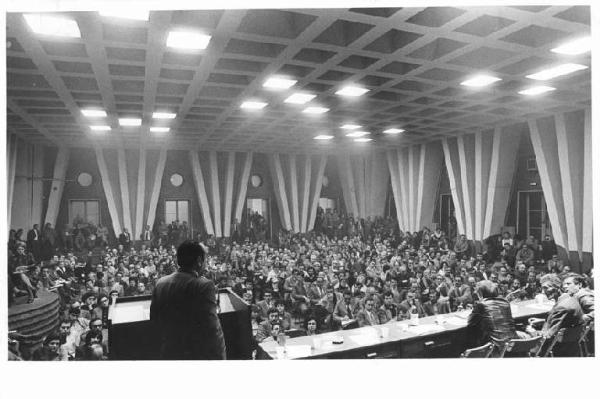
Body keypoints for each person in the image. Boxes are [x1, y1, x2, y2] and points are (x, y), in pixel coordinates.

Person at [150, 240, 226, 360]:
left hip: (168, 351)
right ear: (200, 261)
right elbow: (213, 330)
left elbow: (154, 320)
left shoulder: (161, 283)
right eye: (205, 260)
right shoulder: (203, 285)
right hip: (195, 354)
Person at [525, 274, 584, 357]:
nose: (543, 292)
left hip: (555, 349)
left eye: (546, 288)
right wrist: (542, 321)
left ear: (557, 287)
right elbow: (563, 321)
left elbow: (548, 336)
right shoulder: (569, 299)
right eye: (542, 288)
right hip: (571, 347)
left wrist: (533, 332)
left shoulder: (562, 307)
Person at [466, 280, 519, 349]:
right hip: (514, 344)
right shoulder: (505, 302)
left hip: (496, 346)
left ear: (481, 293)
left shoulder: (481, 304)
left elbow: (470, 322)